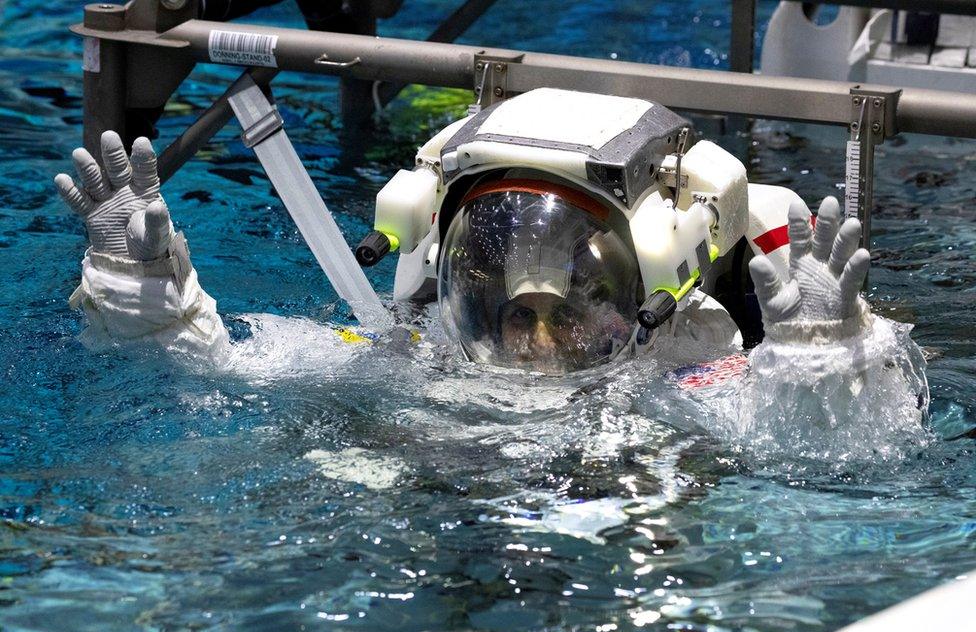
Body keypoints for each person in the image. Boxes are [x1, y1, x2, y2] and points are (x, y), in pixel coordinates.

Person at [53, 91, 928, 436]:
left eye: (567, 314)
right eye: (518, 313)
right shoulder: (410, 359)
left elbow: (823, 464)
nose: (540, 341)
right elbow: (235, 372)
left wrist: (824, 364)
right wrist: (155, 304)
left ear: (635, 308)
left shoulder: (678, 383)